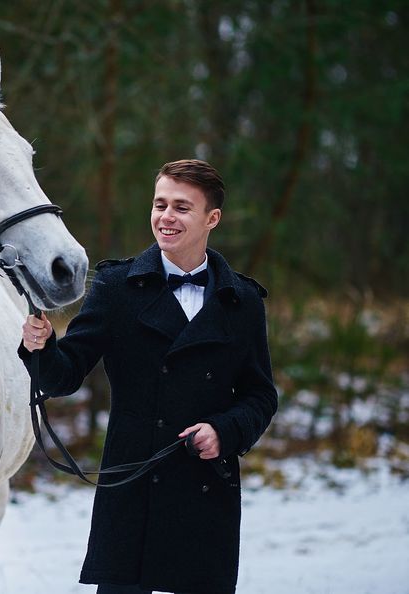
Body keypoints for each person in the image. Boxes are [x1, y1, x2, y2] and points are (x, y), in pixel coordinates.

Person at [19, 159, 277, 594]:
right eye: (160, 205)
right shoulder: (118, 287)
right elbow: (65, 375)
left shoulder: (243, 301)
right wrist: (41, 346)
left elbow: (259, 396)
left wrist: (224, 430)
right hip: (134, 490)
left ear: (212, 218)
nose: (166, 217)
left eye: (181, 207)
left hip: (205, 489)